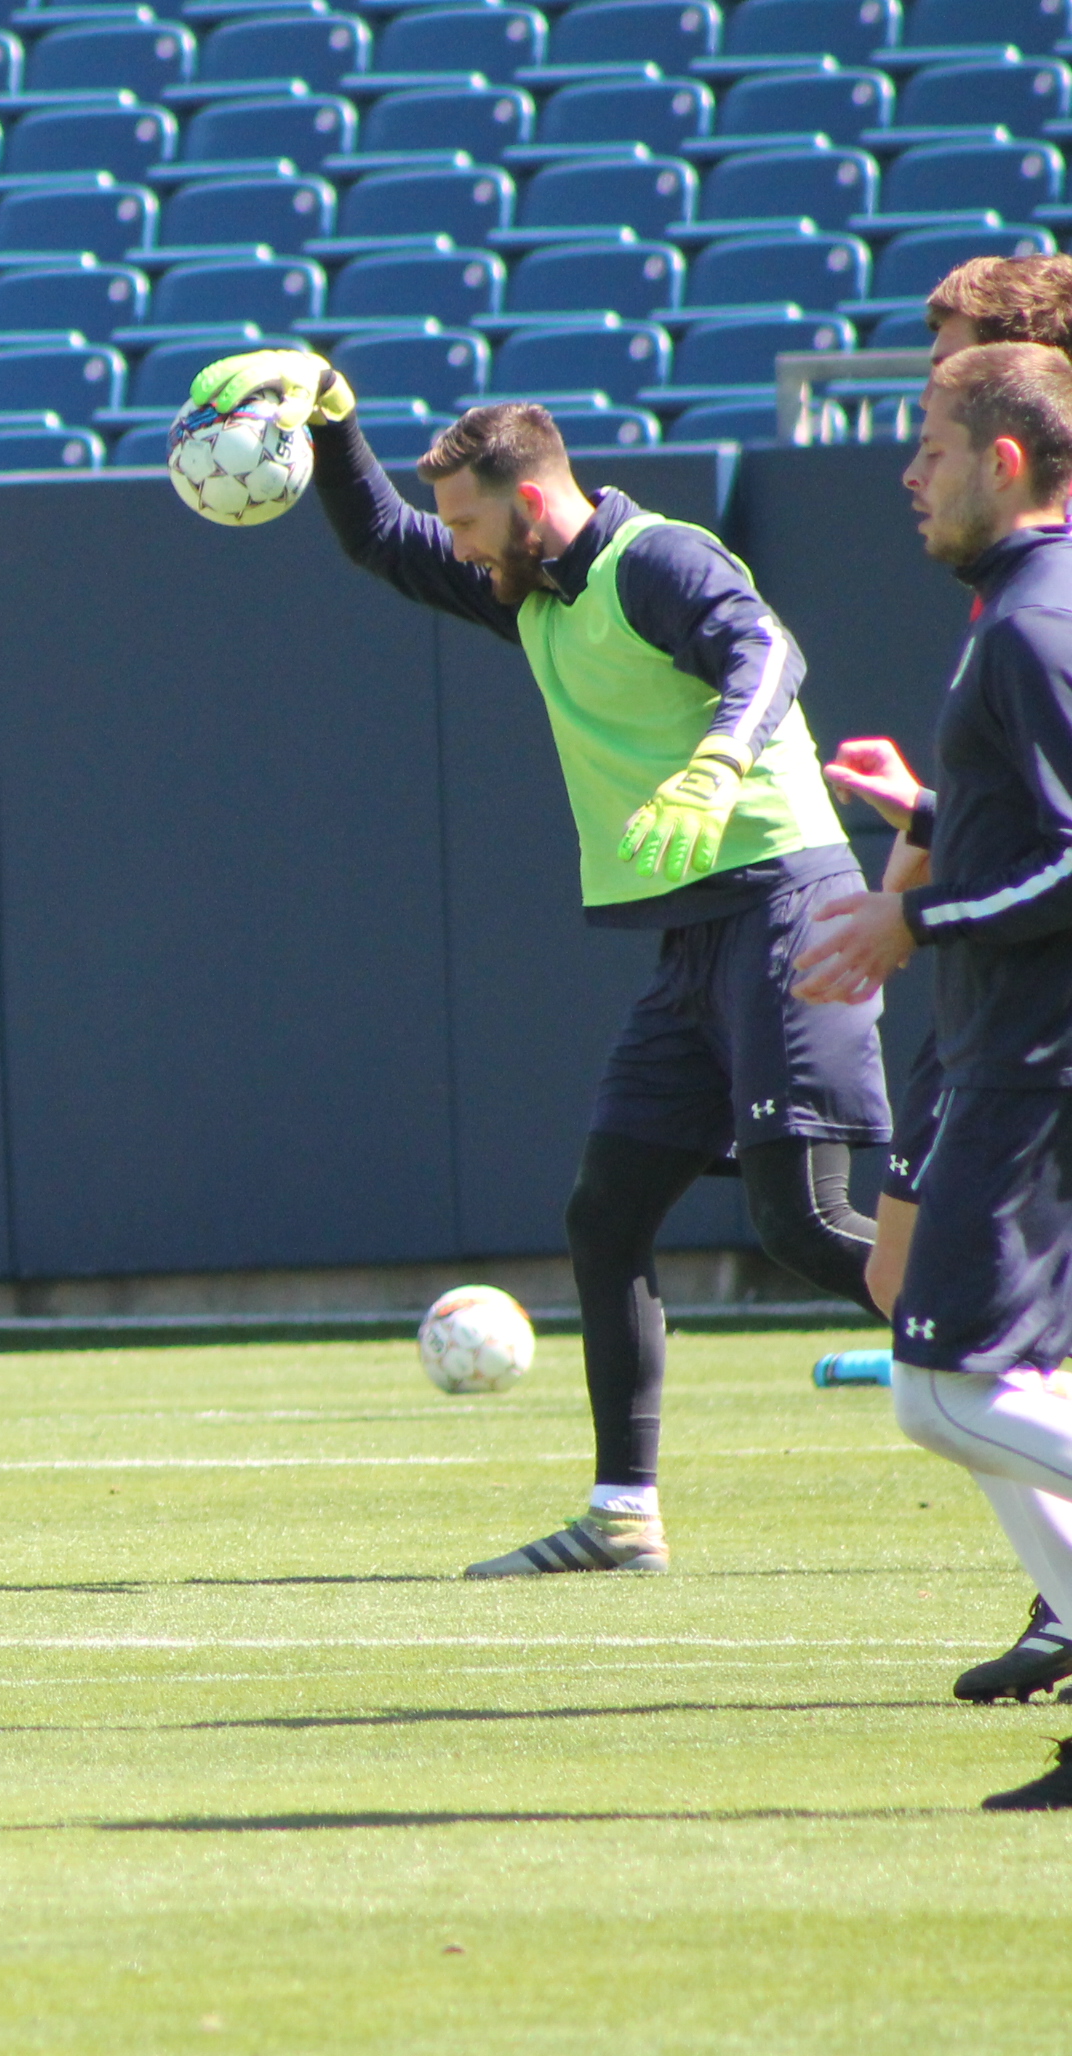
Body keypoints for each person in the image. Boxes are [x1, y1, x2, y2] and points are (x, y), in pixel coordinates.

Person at [190, 353, 888, 1579]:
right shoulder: (528, 590)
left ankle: (1026, 1352)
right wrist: (335, 417)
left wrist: (719, 761)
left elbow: (766, 651)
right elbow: (381, 540)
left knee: (806, 1221)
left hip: (789, 905)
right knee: (605, 1212)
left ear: (527, 503)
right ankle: (622, 1517)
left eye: (466, 523)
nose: (454, 546)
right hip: (693, 937)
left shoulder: (654, 558)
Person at [790, 343, 1072, 1808]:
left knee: (942, 1390)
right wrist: (928, 818)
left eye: (931, 446)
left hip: (1035, 1067)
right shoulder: (1019, 610)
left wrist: (916, 917)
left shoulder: (1036, 620)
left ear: (1005, 461)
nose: (908, 474)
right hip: (1011, 1054)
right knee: (990, 1378)